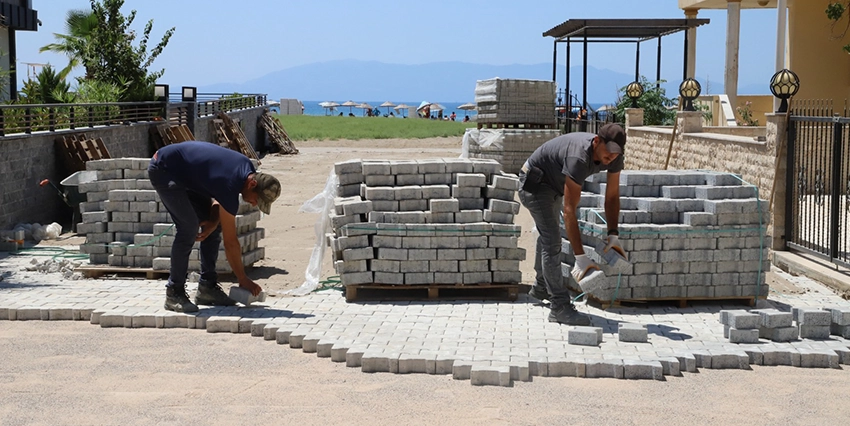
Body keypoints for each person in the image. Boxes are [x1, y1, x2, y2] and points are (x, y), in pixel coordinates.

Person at [148, 141, 282, 313]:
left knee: (213, 223)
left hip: (187, 174)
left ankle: (207, 288)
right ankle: (174, 292)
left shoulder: (246, 168)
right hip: (165, 169)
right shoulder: (231, 182)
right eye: (257, 199)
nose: (255, 204)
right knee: (189, 227)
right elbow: (231, 242)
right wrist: (242, 278)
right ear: (252, 184)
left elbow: (218, 194)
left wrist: (212, 222)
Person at [518, 123, 626, 325]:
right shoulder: (578, 157)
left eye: (615, 154)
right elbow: (570, 210)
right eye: (608, 152)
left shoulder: (615, 158)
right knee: (552, 240)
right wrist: (580, 258)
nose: (610, 158)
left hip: (553, 185)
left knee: (547, 232)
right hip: (534, 183)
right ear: (596, 141)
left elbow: (611, 196)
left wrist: (613, 234)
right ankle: (559, 307)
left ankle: (542, 286)